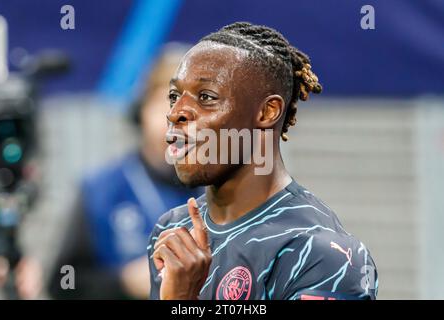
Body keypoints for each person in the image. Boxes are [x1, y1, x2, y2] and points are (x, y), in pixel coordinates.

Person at [148, 22, 378, 300]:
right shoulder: (172, 231)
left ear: (268, 112)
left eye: (206, 97)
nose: (176, 113)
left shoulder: (322, 254)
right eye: (174, 96)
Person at [48, 43, 201, 299]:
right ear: (142, 110)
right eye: (168, 103)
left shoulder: (224, 189)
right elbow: (61, 284)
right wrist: (124, 282)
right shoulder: (101, 190)